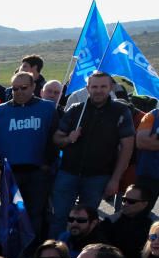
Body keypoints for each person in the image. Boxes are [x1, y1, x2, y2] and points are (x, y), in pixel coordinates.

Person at [49, 71, 135, 238]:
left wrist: (115, 179)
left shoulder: (121, 111)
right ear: (88, 88)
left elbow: (127, 147)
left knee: (87, 220)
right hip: (68, 173)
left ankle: (83, 255)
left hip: (98, 176)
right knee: (59, 217)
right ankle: (56, 254)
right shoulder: (76, 110)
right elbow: (57, 138)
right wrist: (68, 138)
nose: (98, 90)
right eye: (94, 86)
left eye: (103, 86)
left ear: (111, 87)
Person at [0, 72, 59, 236]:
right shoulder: (0, 111)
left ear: (33, 87)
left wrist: (48, 162)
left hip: (38, 171)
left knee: (35, 215)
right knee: (10, 215)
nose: (19, 92)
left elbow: (54, 138)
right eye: (15, 88)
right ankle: (11, 253)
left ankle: (33, 253)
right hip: (10, 173)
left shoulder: (47, 108)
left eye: (24, 88)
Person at [99, 184, 155, 258]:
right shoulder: (110, 222)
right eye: (124, 199)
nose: (125, 204)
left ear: (144, 204)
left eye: (131, 201)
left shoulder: (153, 227)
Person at [135, 106, 159, 208]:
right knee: (138, 212)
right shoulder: (152, 115)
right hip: (148, 174)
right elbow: (141, 142)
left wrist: (154, 142)